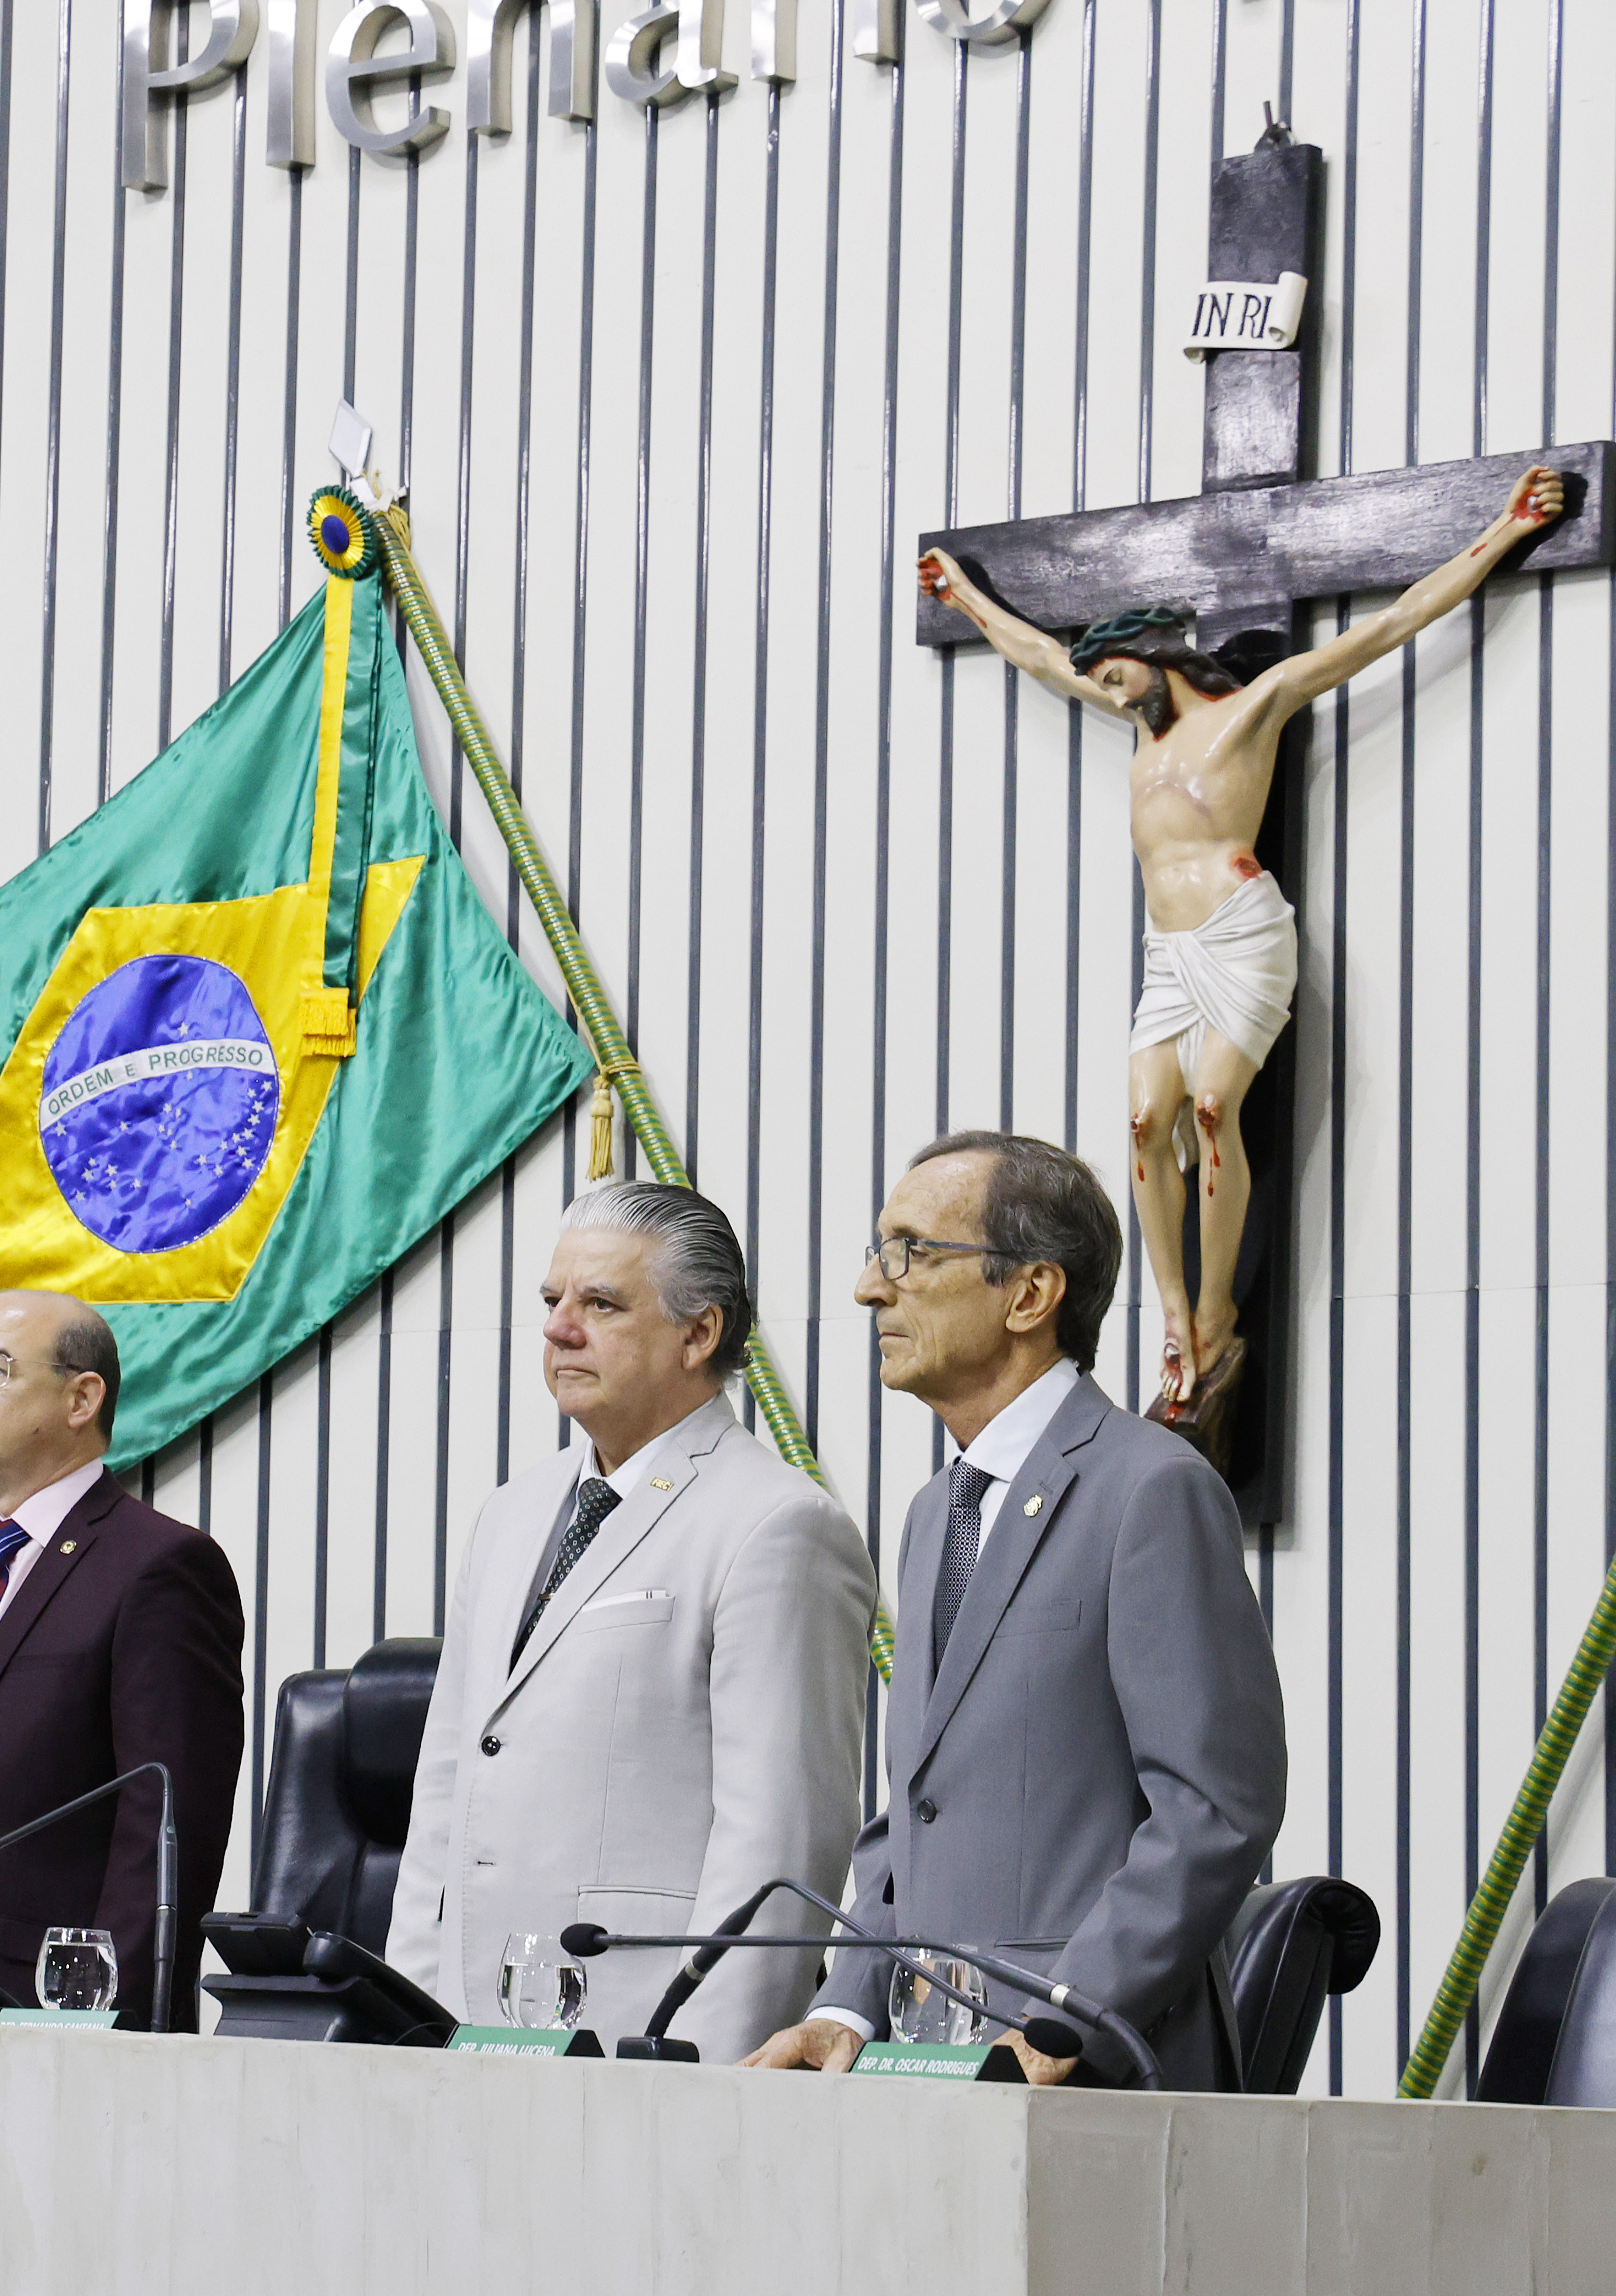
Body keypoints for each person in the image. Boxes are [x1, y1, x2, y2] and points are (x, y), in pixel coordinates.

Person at [921, 465, 1566, 1430]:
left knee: (1214, 1109)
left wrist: (1505, 529)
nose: (1105, 690)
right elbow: (1035, 657)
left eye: (1115, 673)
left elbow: (1388, 627)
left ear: (1151, 656)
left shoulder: (1252, 710)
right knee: (1145, 1126)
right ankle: (1175, 1313)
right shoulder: (1135, 728)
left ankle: (1218, 1309)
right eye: (1099, 680)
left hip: (1242, 930)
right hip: (1167, 954)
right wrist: (964, 592)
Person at [742, 1133, 1286, 2090]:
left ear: (1029, 1295)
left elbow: (1212, 1813)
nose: (872, 1287)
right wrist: (844, 2006)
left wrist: (1061, 2022)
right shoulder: (932, 1513)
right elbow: (915, 1816)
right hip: (932, 2076)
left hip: (1094, 2084)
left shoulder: (1152, 1490)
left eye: (910, 1251)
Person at [385, 1183, 875, 2063]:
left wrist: (701, 2074)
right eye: (551, 1301)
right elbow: (448, 1789)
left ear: (700, 1333)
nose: (559, 1329)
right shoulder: (510, 1513)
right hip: (465, 2031)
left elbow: (777, 1849)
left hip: (643, 2044)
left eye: (600, 1304)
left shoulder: (777, 1522)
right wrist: (414, 2020)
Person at [0, 1292, 245, 2030]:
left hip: (51, 2012)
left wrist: (103, 2017)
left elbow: (164, 1822)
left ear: (81, 1396)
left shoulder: (158, 1566)